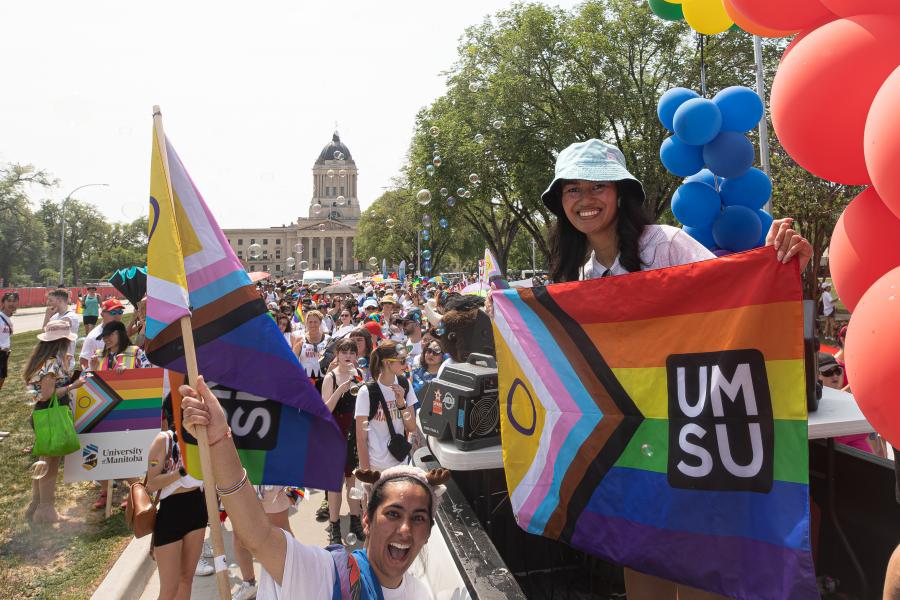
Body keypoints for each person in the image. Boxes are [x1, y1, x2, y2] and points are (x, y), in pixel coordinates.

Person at [494, 138, 812, 600]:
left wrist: (771, 261)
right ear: (560, 202)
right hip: (636, 454)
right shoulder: (580, 276)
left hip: (690, 439)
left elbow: (729, 296)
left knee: (703, 573)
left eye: (598, 186)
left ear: (620, 193)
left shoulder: (665, 243)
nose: (585, 200)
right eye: (572, 189)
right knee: (644, 565)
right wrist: (506, 314)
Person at [178, 375, 446, 599]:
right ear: (366, 519)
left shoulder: (421, 594)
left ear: (428, 532)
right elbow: (257, 537)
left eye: (418, 518)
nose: (405, 529)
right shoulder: (326, 573)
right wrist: (219, 441)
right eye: (393, 513)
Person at [22, 320, 85, 523]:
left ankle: (36, 505)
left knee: (43, 462)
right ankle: (46, 510)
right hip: (51, 416)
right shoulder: (50, 363)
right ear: (62, 341)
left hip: (42, 415)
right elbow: (48, 394)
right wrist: (72, 386)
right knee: (50, 464)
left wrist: (66, 367)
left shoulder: (45, 359)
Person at [145, 401, 208, 600]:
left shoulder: (202, 439)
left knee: (186, 580)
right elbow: (152, 484)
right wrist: (180, 472)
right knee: (169, 589)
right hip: (170, 514)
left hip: (197, 510)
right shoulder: (163, 440)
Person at [320, 338, 367, 545]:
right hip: (334, 434)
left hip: (354, 434)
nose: (348, 356)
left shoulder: (360, 375)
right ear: (337, 355)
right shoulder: (330, 377)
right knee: (334, 483)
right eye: (344, 352)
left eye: (352, 352)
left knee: (352, 480)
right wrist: (342, 389)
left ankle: (356, 521)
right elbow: (325, 410)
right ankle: (335, 525)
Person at [356, 341, 418, 473]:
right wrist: (367, 474)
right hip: (375, 467)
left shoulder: (405, 384)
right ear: (387, 362)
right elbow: (361, 438)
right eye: (401, 361)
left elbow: (411, 427)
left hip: (401, 463)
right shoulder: (366, 392)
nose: (406, 364)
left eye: (406, 360)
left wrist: (401, 403)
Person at [232, 485, 296, 600]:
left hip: (270, 476)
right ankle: (249, 584)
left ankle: (295, 580)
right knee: (240, 534)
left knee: (280, 531)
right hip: (239, 475)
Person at [79, 298, 125, 371]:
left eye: (120, 312)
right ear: (102, 314)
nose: (117, 316)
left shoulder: (119, 331)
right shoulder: (93, 337)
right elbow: (83, 364)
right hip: (100, 379)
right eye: (113, 312)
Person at [291, 310, 330, 393]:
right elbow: (293, 361)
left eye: (315, 322)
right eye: (310, 322)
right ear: (306, 323)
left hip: (324, 379)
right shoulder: (300, 339)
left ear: (320, 322)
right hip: (305, 380)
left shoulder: (328, 339)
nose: (313, 324)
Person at [43, 289, 80, 362]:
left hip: (65, 362)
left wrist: (47, 316)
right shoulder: (55, 316)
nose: (48, 303)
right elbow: (44, 333)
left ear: (60, 300)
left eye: (51, 300)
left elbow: (53, 332)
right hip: (53, 359)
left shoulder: (70, 316)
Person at [0, 291, 18, 391]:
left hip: (4, 355)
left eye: (14, 301)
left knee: (2, 378)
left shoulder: (9, 318)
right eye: (9, 301)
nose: (12, 304)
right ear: (3, 303)